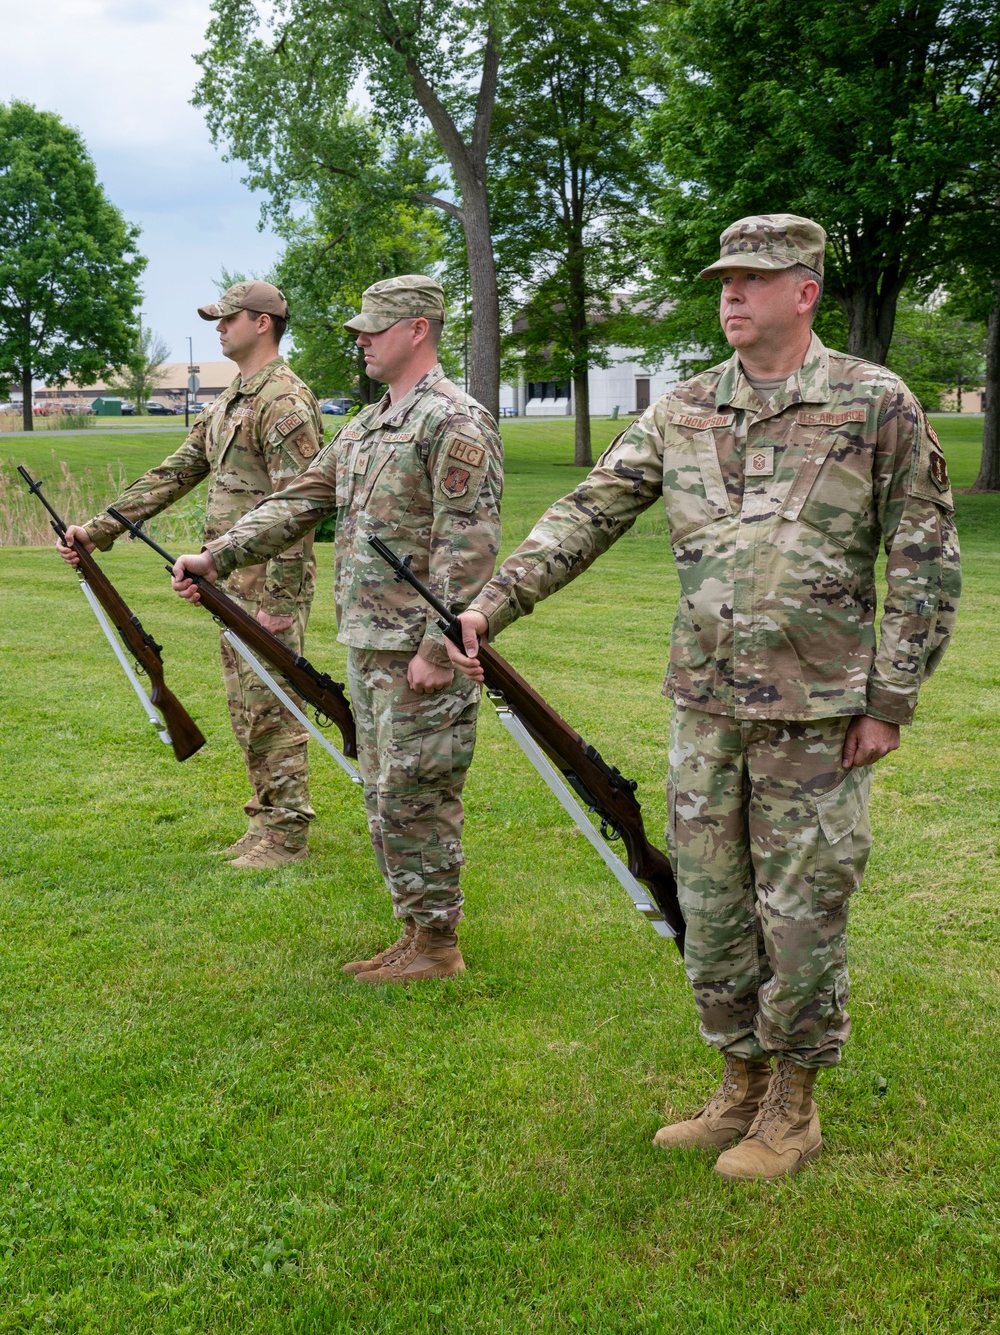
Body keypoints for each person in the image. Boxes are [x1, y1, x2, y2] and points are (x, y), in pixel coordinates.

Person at [446, 215, 961, 1181]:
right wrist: (489, 607)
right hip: (706, 707)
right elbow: (590, 509)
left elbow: (925, 556)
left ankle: (795, 1103)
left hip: (816, 715)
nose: (731, 295)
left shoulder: (873, 403)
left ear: (804, 292)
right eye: (724, 279)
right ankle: (739, 1080)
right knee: (713, 901)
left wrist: (890, 700)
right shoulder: (684, 409)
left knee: (802, 907)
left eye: (753, 281)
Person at [169, 275, 503, 984]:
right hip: (369, 643)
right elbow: (301, 499)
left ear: (418, 329)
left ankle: (440, 945)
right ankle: (415, 930)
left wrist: (436, 649)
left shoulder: (453, 419)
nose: (360, 338)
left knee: (422, 791)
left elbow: (467, 545)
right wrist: (218, 554)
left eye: (373, 328)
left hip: (417, 649)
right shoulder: (371, 422)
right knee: (385, 792)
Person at [57, 281, 323, 870]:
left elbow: (303, 503)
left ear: (263, 323)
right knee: (245, 703)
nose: (219, 327)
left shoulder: (284, 400)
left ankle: (287, 831)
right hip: (228, 580)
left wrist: (280, 596)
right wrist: (97, 529)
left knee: (271, 702)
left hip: (267, 582)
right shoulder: (233, 399)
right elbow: (177, 470)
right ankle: (266, 816)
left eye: (228, 318)